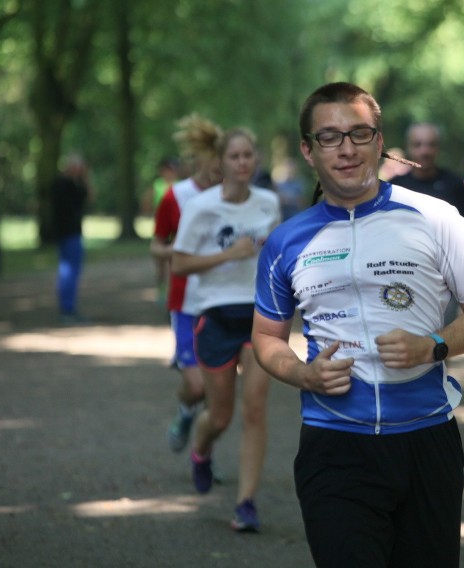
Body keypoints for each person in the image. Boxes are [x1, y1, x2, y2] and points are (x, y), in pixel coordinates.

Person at [251, 82, 464, 567]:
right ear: (308, 150)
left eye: (359, 133)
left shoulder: (436, 218)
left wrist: (433, 345)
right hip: (334, 444)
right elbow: (266, 337)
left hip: (426, 440)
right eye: (329, 137)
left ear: (379, 141)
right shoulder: (286, 241)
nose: (346, 148)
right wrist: (302, 374)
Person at [171, 127, 281, 533]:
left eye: (249, 155)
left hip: (259, 316)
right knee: (220, 416)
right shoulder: (201, 208)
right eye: (234, 156)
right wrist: (226, 255)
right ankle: (201, 451)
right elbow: (179, 264)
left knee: (255, 409)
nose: (242, 163)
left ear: (256, 160)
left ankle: (247, 503)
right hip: (215, 316)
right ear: (221, 162)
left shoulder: (268, 203)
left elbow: (274, 258)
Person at [150, 114, 223, 456]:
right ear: (199, 159)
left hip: (224, 302)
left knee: (216, 390)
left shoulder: (235, 198)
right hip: (185, 302)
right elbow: (156, 244)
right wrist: (177, 254)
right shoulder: (175, 197)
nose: (218, 167)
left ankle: (203, 453)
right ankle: (184, 413)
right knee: (195, 385)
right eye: (213, 160)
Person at [390, 122, 464, 237]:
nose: (424, 151)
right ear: (408, 147)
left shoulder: (455, 184)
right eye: (417, 145)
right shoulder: (394, 189)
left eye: (431, 144)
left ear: (438, 147)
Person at [52, 153, 93, 324]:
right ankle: (67, 309)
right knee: (69, 271)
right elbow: (89, 195)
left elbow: (88, 196)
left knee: (69, 270)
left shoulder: (67, 184)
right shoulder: (65, 184)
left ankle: (68, 308)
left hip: (67, 232)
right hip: (69, 233)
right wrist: (85, 177)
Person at [145, 157, 182, 306]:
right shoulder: (157, 185)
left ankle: (170, 291)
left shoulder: (181, 187)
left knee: (173, 263)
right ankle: (161, 290)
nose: (169, 173)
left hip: (176, 231)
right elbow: (147, 202)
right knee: (160, 263)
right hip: (162, 229)